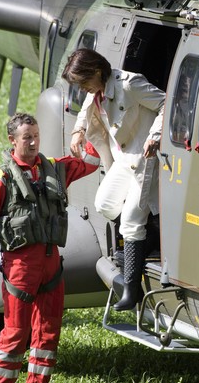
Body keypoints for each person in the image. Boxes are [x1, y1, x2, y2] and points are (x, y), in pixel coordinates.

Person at [0, 112, 100, 383]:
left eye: (36, 135)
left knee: (48, 334)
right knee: (15, 334)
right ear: (13, 141)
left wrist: (81, 137)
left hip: (51, 264)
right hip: (20, 267)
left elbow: (92, 162)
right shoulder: (2, 179)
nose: (34, 142)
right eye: (27, 138)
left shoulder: (54, 169)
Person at [63, 49, 165, 311]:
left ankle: (132, 291)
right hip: (122, 160)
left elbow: (166, 103)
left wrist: (155, 136)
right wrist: (78, 130)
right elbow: (87, 108)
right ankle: (147, 233)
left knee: (131, 219)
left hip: (143, 159)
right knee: (105, 203)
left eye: (84, 82)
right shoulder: (96, 92)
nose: (83, 89)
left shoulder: (130, 85)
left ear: (97, 72)